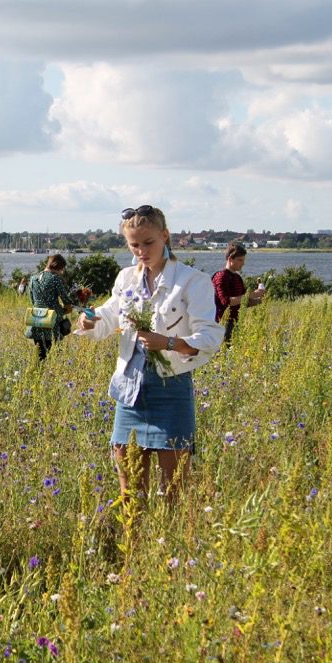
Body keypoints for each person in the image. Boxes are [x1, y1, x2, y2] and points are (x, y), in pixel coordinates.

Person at [77, 205, 223, 502]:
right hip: (129, 391)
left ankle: (169, 546)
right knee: (130, 494)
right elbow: (109, 316)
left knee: (174, 493)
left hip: (171, 390)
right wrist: (90, 320)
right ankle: (134, 547)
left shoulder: (192, 281)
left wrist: (167, 343)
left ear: (165, 236)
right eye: (134, 244)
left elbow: (209, 337)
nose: (141, 251)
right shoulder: (126, 278)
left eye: (148, 242)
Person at [211, 242, 263, 345]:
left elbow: (243, 302)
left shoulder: (237, 278)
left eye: (243, 260)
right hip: (221, 324)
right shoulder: (221, 277)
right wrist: (251, 294)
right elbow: (226, 301)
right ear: (230, 259)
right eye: (240, 260)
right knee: (222, 355)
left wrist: (261, 300)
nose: (242, 263)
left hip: (235, 322)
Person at [27, 254, 72, 361]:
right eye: (62, 269)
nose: (62, 271)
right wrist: (66, 309)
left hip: (37, 319)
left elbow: (32, 301)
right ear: (58, 266)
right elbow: (66, 301)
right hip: (53, 322)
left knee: (40, 356)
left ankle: (37, 374)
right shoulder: (55, 279)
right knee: (55, 355)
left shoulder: (33, 279)